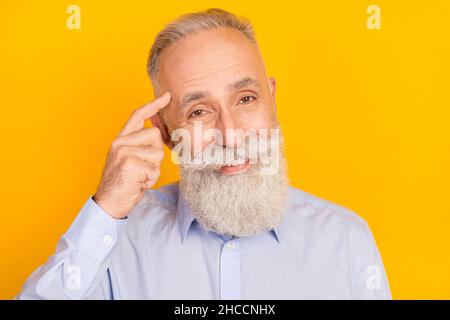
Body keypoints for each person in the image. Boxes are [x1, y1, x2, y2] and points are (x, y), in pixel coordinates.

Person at [17, 8, 391, 299]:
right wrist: (106, 210)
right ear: (165, 132)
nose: (230, 134)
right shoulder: (115, 242)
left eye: (246, 99)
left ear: (272, 99)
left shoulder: (345, 240)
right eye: (199, 112)